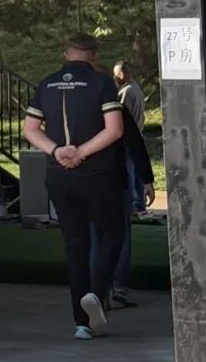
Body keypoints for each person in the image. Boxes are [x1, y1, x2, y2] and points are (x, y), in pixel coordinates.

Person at [23, 33, 125, 340]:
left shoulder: (47, 84)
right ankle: (96, 293)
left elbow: (30, 129)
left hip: (59, 175)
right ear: (93, 56)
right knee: (111, 234)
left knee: (74, 243)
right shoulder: (102, 83)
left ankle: (81, 322)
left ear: (65, 53)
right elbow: (115, 130)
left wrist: (56, 151)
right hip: (97, 174)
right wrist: (81, 152)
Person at [89, 104, 155, 309]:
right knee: (120, 235)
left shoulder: (78, 105)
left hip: (88, 179)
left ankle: (98, 289)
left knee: (94, 236)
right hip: (115, 179)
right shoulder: (116, 108)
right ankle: (118, 287)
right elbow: (135, 143)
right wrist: (146, 178)